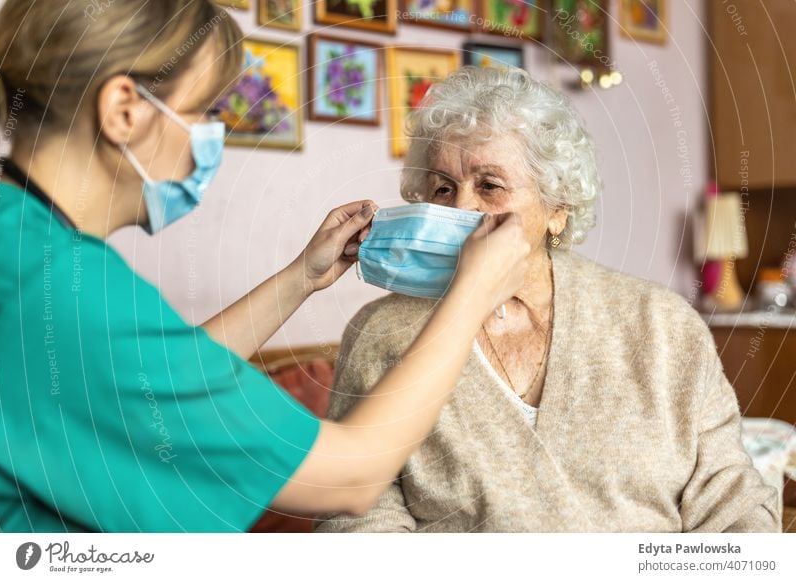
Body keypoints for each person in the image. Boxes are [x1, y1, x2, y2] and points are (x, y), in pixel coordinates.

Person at [0, 2, 531, 532]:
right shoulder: (62, 287)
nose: (213, 136)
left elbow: (152, 384)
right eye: (204, 111)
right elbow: (352, 477)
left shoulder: (21, 245)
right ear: (124, 111)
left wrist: (303, 278)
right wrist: (472, 294)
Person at [315, 66, 781, 533]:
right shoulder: (381, 334)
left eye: (489, 185)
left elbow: (733, 501)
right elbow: (355, 519)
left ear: (557, 209)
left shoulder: (660, 324)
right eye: (442, 188)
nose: (460, 208)